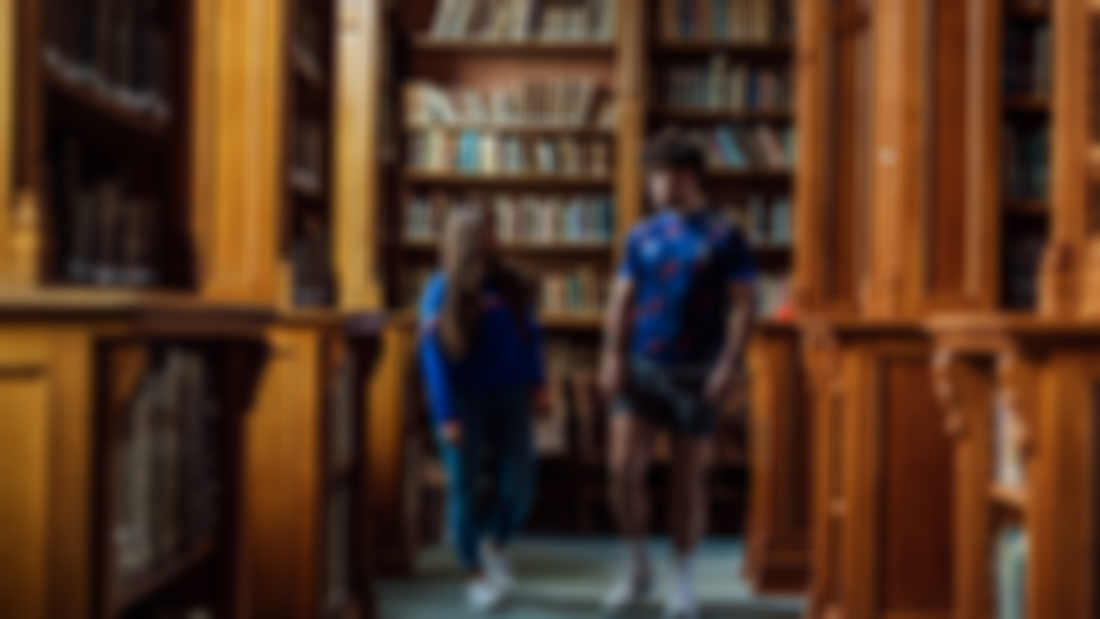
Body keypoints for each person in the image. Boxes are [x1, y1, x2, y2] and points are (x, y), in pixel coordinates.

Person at [600, 131, 756, 618]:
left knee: (687, 482)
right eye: (649, 175)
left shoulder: (725, 235)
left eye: (658, 175)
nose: (651, 185)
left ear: (687, 176)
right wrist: (611, 355)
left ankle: (682, 580)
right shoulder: (641, 234)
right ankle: (637, 565)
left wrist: (729, 366)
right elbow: (621, 299)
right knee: (622, 472)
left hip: (697, 372)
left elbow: (745, 307)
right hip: (641, 367)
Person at [418, 205, 545, 612]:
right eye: (489, 229)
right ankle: (473, 573)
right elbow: (431, 356)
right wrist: (445, 414)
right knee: (465, 487)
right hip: (464, 400)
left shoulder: (510, 283)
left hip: (511, 395)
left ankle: (495, 542)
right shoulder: (441, 288)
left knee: (520, 484)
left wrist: (538, 382)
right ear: (470, 237)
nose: (497, 235)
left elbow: (532, 336)